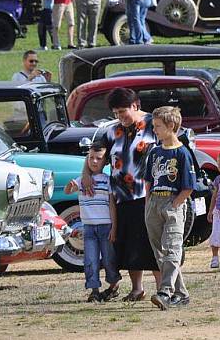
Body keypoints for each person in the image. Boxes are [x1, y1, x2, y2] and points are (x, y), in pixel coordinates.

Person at [89, 87, 158, 301]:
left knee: (151, 244)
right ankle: (137, 289)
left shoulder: (154, 124)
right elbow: (95, 153)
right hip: (121, 196)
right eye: (116, 113)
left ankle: (163, 288)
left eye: (123, 111)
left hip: (147, 195)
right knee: (128, 245)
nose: (120, 117)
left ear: (135, 106)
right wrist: (85, 176)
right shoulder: (112, 131)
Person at [144, 106, 194, 309]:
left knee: (172, 247)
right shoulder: (155, 152)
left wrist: (174, 205)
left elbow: (188, 187)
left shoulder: (182, 153)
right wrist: (148, 203)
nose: (154, 130)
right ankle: (181, 293)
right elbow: (148, 180)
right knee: (160, 252)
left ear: (171, 126)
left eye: (158, 126)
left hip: (173, 203)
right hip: (154, 202)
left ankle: (165, 291)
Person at [64, 142, 120, 302]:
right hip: (88, 227)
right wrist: (70, 185)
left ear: (106, 162)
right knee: (90, 259)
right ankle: (94, 289)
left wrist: (114, 227)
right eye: (91, 158)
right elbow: (69, 190)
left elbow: (111, 204)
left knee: (109, 258)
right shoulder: (82, 180)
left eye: (99, 158)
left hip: (106, 226)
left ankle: (113, 285)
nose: (94, 162)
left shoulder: (108, 180)